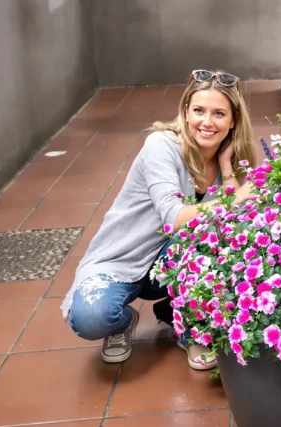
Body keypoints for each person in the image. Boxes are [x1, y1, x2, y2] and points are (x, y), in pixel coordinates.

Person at [61, 70, 256, 370]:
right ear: (185, 111)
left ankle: (187, 322)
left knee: (220, 232)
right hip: (121, 259)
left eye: (219, 113)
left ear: (233, 121)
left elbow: (236, 221)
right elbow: (175, 218)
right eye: (199, 111)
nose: (207, 122)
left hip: (172, 264)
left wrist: (226, 164)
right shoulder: (161, 146)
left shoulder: (227, 157)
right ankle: (122, 324)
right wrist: (238, 196)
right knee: (92, 318)